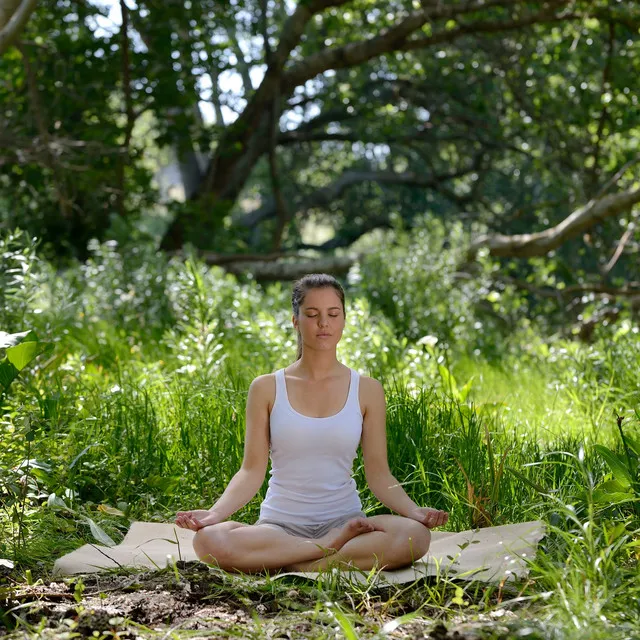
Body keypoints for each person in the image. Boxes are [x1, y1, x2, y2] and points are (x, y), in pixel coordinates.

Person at [175, 273, 449, 574]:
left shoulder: (367, 389)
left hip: (347, 524)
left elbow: (379, 473)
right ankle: (322, 554)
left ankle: (294, 563)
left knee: (414, 537)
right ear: (295, 321)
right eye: (312, 314)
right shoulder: (266, 387)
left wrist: (414, 511)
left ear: (344, 320)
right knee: (209, 542)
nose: (324, 323)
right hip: (279, 528)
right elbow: (251, 471)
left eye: (333, 314)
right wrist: (215, 514)